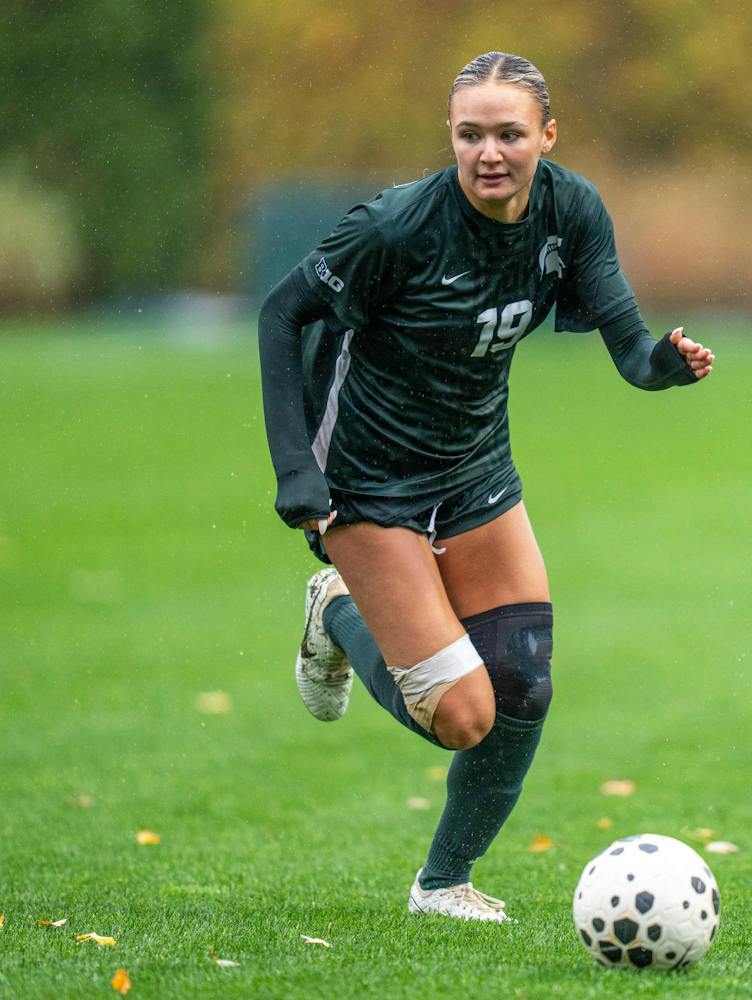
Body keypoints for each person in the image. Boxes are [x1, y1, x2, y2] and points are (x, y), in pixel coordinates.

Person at [257, 51, 714, 923]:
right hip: (366, 479)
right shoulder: (395, 227)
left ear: (548, 135)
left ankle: (443, 886)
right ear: (452, 138)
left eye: (509, 134)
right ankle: (336, 610)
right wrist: (295, 468)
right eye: (471, 135)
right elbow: (283, 312)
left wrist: (663, 364)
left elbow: (629, 347)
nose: (489, 152)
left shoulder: (570, 211)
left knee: (524, 686)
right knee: (465, 716)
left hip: (474, 470)